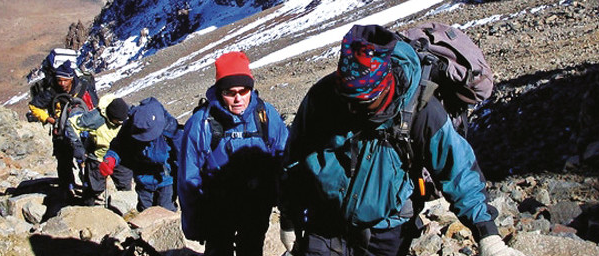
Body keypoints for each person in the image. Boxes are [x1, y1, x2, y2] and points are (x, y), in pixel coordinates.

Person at [279, 25, 525, 256]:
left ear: (384, 86)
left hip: (387, 233)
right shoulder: (323, 98)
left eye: (362, 103)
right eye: (346, 98)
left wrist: (487, 234)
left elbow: (459, 170)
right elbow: (295, 158)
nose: (351, 109)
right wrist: (289, 218)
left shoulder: (421, 111)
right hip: (326, 224)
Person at [178, 51, 289, 255]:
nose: (238, 99)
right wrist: (193, 223)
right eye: (230, 92)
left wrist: (286, 204)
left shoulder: (266, 116)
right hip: (217, 210)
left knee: (253, 249)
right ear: (220, 91)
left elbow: (284, 159)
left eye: (244, 91)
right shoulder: (200, 124)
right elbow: (188, 178)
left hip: (257, 206)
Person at [28, 59, 99, 196]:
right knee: (64, 161)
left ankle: (88, 188)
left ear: (71, 79)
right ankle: (67, 188)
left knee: (85, 159)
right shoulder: (52, 91)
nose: (62, 84)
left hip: (83, 132)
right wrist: (48, 119)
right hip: (60, 132)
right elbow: (34, 106)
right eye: (59, 80)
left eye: (65, 80)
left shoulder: (82, 89)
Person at [99, 97, 181, 212]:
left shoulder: (170, 128)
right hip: (142, 178)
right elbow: (118, 148)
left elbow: (182, 155)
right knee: (145, 211)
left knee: (165, 210)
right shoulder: (131, 126)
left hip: (166, 179)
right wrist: (110, 159)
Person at [66, 94, 130, 206]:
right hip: (97, 157)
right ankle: (88, 209)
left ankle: (123, 210)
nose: (120, 123)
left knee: (125, 185)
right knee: (94, 188)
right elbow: (71, 124)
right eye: (117, 121)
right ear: (110, 116)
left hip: (120, 155)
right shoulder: (96, 118)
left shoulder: (126, 115)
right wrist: (78, 146)